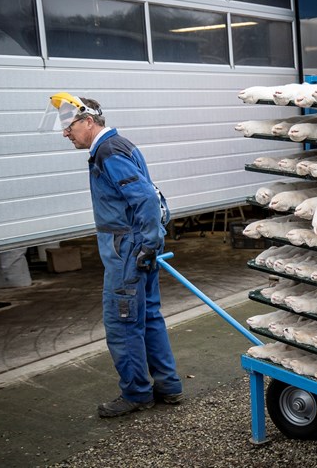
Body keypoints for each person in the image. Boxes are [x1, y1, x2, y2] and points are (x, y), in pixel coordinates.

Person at [48, 93, 183, 418]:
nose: (66, 134)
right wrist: (150, 244)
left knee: (123, 323)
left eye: (69, 127)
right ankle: (168, 385)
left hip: (128, 251)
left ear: (89, 122)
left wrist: (148, 245)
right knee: (148, 315)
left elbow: (145, 201)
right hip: (136, 246)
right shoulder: (119, 145)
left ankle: (136, 392)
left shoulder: (108, 152)